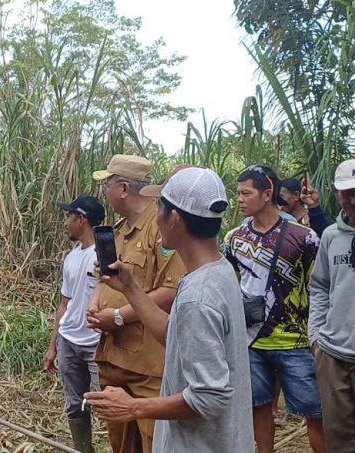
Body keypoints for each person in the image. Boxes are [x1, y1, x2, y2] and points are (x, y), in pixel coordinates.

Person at [85, 167, 254, 452]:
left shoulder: (197, 298)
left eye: (158, 206)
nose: (155, 215)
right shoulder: (218, 271)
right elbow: (173, 335)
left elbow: (209, 397)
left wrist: (134, 407)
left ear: (173, 218)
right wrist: (130, 288)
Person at [86, 155, 185, 453]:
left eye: (108, 184)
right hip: (114, 356)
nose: (105, 191)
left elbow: (171, 291)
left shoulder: (161, 229)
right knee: (121, 444)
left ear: (124, 188)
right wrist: (95, 303)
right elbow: (107, 277)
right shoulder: (117, 231)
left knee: (155, 442)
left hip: (148, 364)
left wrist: (116, 316)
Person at [224, 165, 325, 453]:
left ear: (267, 194)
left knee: (315, 412)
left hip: (295, 341)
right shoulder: (234, 239)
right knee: (259, 407)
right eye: (237, 193)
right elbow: (229, 284)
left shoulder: (304, 237)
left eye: (246, 193)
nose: (239, 199)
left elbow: (317, 287)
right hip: (251, 341)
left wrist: (317, 335)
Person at [309, 159, 355, 452]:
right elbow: (320, 286)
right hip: (333, 355)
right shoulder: (330, 236)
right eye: (347, 193)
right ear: (337, 192)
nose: (354, 201)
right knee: (341, 442)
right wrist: (316, 336)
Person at [43, 195, 105, 453]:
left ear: (82, 219)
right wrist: (53, 346)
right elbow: (64, 304)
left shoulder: (104, 254)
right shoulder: (71, 257)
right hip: (69, 340)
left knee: (107, 404)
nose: (65, 222)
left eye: (69, 217)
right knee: (74, 403)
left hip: (97, 344)